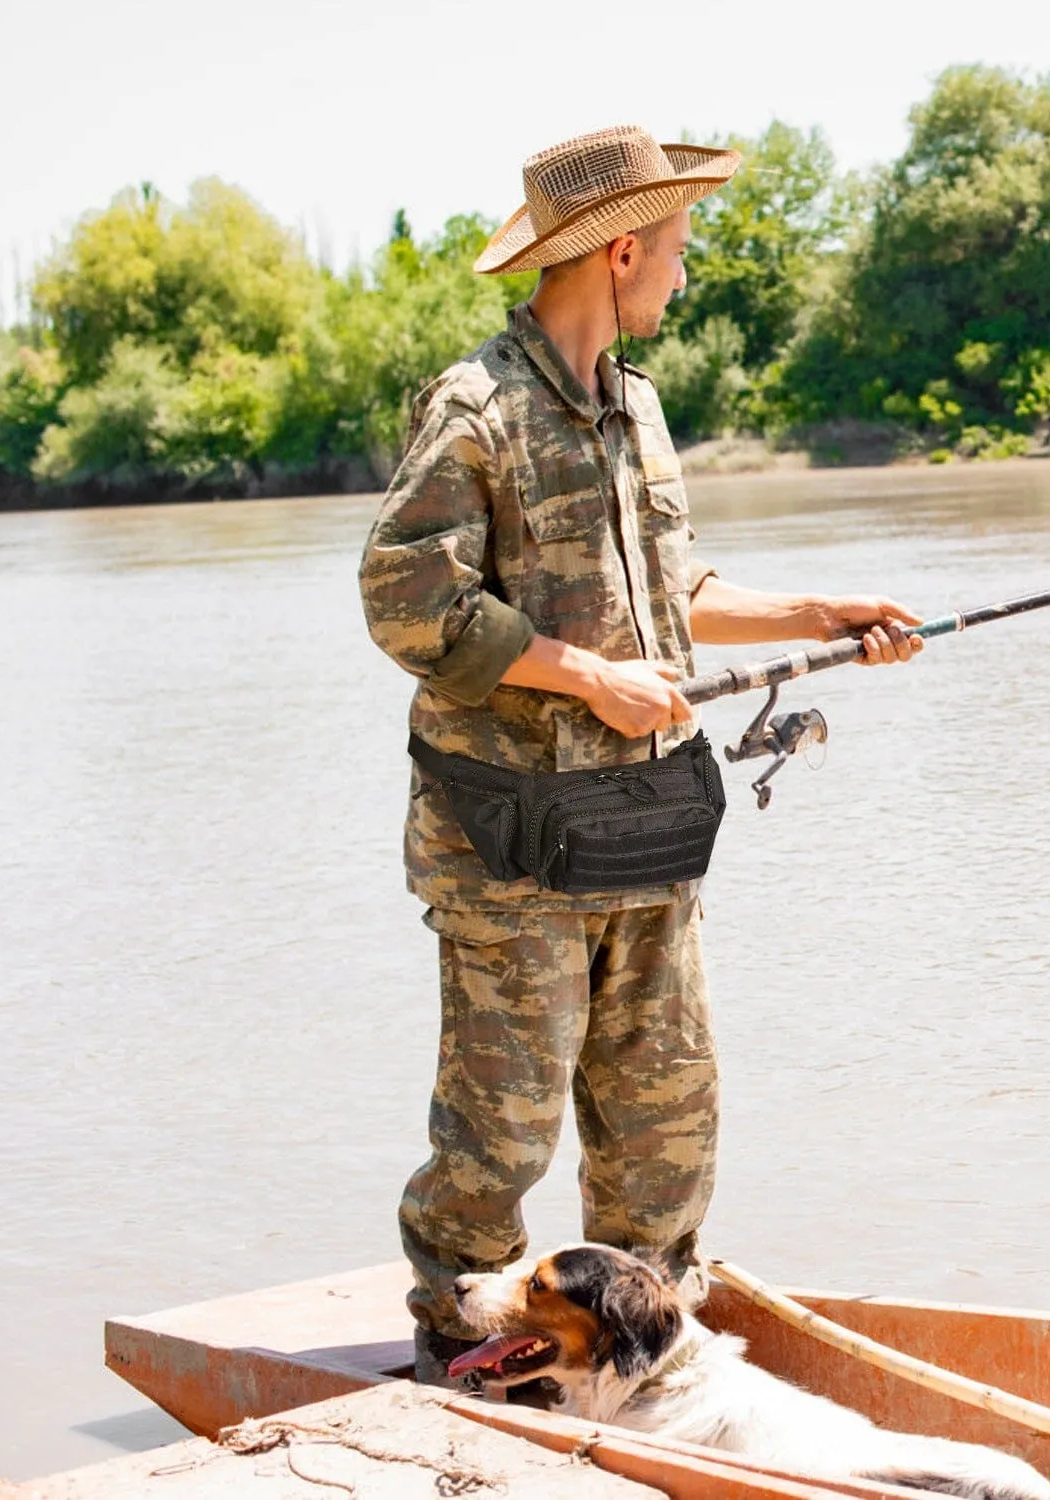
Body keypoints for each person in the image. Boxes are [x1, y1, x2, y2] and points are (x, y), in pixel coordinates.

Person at [359, 124, 923, 1386]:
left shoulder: (640, 408)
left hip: (646, 833)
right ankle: (464, 1355)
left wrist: (820, 615)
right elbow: (405, 599)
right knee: (497, 1147)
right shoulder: (479, 408)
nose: (685, 272)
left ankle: (644, 1355)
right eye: (676, 249)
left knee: (669, 1123)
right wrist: (585, 676)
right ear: (620, 250)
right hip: (511, 855)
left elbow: (671, 594)